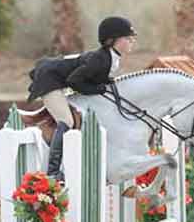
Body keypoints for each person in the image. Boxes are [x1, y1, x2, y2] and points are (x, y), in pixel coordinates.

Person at [27, 16, 137, 182]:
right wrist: (97, 89)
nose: (131, 42)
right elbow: (74, 80)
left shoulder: (110, 58)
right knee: (67, 121)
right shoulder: (100, 59)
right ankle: (53, 171)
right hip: (49, 80)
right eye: (127, 38)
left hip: (59, 78)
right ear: (112, 41)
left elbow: (93, 77)